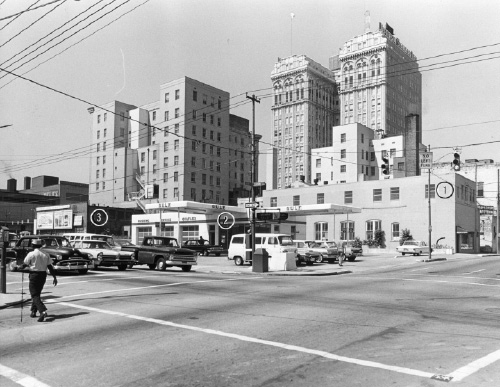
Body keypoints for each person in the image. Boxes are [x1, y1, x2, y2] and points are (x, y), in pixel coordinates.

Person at [22, 239, 58, 322]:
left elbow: (25, 264)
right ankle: (33, 311)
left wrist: (21, 267)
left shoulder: (31, 254)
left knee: (34, 295)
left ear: (33, 245)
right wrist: (54, 277)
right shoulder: (46, 254)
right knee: (37, 294)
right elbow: (50, 267)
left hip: (34, 275)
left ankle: (42, 311)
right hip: (43, 276)